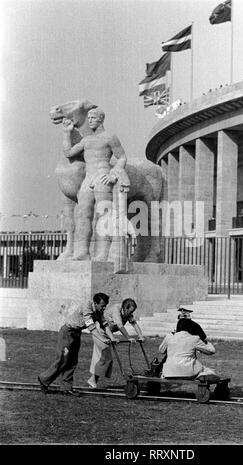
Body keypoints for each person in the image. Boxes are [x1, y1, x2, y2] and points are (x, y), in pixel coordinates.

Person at [62, 108, 129, 261]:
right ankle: (82, 251)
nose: (90, 120)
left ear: (100, 119)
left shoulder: (110, 137)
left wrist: (113, 174)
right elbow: (68, 153)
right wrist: (66, 133)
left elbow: (122, 157)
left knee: (104, 214)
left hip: (103, 175)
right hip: (89, 177)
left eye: (93, 117)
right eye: (89, 117)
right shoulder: (86, 140)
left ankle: (103, 252)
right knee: (82, 214)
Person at [38, 292, 114, 396]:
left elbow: (105, 325)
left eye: (105, 306)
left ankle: (66, 388)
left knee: (73, 361)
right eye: (102, 306)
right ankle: (44, 379)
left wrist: (112, 338)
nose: (104, 308)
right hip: (67, 333)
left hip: (76, 333)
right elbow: (91, 327)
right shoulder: (87, 307)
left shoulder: (98, 312)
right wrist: (102, 339)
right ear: (95, 303)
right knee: (62, 360)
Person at [87, 298, 145, 388]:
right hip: (100, 333)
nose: (131, 314)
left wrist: (140, 336)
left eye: (132, 312)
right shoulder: (116, 310)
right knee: (105, 358)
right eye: (130, 311)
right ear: (125, 308)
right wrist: (129, 338)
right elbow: (120, 325)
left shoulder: (127, 313)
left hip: (108, 334)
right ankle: (92, 380)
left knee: (105, 359)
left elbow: (134, 323)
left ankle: (93, 381)